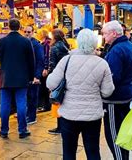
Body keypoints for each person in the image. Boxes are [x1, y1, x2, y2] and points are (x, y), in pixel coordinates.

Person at [47, 29, 114, 160]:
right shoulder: (102, 63)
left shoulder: (66, 60)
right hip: (92, 116)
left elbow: (51, 83)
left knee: (69, 152)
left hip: (69, 114)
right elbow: (107, 91)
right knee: (93, 151)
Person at [0, 18, 34, 139]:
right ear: (19, 27)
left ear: (8, 27)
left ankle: (4, 130)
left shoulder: (1, 41)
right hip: (22, 78)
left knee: (4, 105)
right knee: (21, 104)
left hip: (6, 77)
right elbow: (31, 61)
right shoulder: (26, 42)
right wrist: (31, 77)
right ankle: (22, 130)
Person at [101, 20, 132, 160]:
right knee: (122, 133)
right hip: (126, 94)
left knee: (113, 135)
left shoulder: (116, 50)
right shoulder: (128, 45)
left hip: (114, 98)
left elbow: (112, 77)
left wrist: (103, 90)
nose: (103, 37)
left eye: (105, 34)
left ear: (114, 33)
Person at [47, 28, 70, 135]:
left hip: (57, 76)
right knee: (63, 100)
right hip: (66, 76)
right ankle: (64, 125)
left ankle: (60, 126)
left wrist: (49, 75)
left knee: (56, 99)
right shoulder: (65, 46)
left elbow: (52, 63)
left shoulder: (54, 47)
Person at [23, 25, 44, 125]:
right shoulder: (24, 43)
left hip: (34, 75)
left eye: (29, 32)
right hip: (26, 75)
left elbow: (40, 61)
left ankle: (32, 117)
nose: (27, 33)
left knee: (33, 97)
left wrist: (37, 76)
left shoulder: (37, 45)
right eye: (25, 32)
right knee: (27, 96)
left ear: (33, 32)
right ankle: (28, 115)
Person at [39, 29, 52, 112]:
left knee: (44, 87)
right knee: (45, 87)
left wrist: (45, 67)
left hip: (44, 68)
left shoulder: (46, 44)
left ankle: (46, 105)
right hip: (45, 67)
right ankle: (46, 105)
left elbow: (46, 56)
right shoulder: (46, 43)